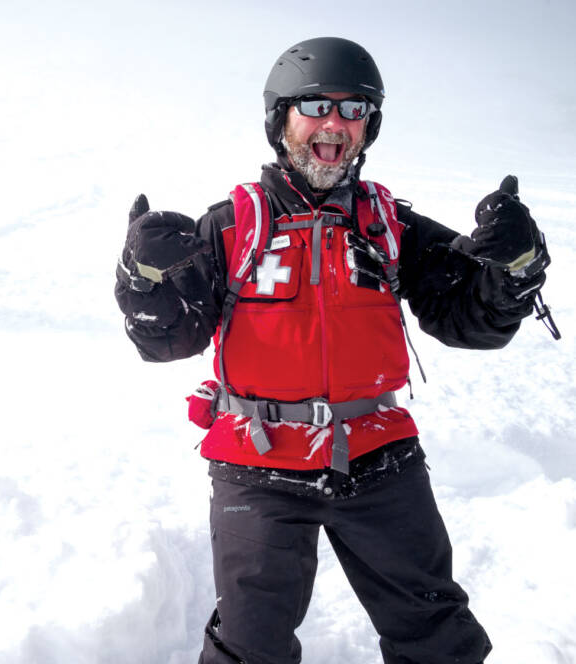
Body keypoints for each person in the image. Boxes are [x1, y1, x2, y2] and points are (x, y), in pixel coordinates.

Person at [115, 37, 550, 664]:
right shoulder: (232, 227)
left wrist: (515, 270)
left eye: (354, 110)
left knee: (437, 635)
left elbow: (469, 320)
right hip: (257, 463)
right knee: (250, 647)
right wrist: (143, 281)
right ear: (280, 119)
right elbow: (167, 339)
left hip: (379, 453)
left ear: (369, 126)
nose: (335, 123)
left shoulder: (390, 226)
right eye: (317, 105)